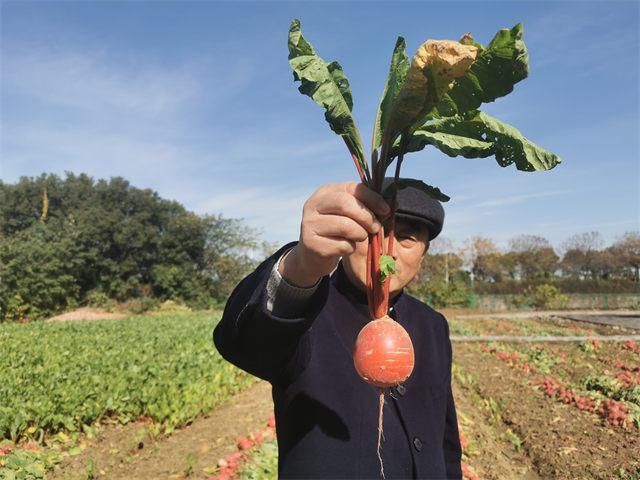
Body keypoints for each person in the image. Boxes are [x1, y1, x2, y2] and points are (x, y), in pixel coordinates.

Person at [213, 180, 462, 479]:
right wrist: (302, 266)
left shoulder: (433, 324)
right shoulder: (306, 310)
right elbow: (244, 345)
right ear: (346, 236)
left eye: (406, 238)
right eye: (373, 232)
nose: (387, 251)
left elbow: (446, 434)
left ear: (422, 257)